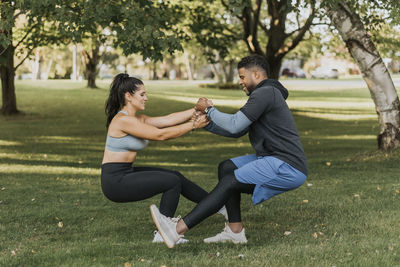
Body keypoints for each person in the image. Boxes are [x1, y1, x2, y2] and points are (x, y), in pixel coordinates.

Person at [150, 54, 308, 248]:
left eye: (242, 77)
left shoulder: (265, 93)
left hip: (287, 165)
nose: (240, 82)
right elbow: (238, 131)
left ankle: (176, 230)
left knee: (230, 181)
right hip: (273, 159)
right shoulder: (263, 94)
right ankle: (235, 232)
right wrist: (207, 124)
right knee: (227, 167)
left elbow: (234, 125)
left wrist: (208, 110)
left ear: (256, 74)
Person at [101, 73, 225, 244]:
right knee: (171, 181)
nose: (146, 98)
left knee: (176, 176)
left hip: (124, 173)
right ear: (128, 96)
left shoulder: (136, 119)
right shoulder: (123, 121)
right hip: (115, 181)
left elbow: (167, 120)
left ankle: (216, 205)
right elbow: (161, 135)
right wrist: (193, 125)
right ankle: (163, 234)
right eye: (142, 94)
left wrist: (196, 109)